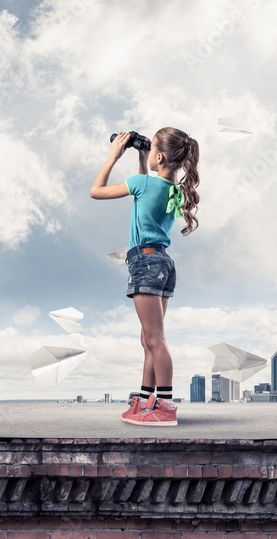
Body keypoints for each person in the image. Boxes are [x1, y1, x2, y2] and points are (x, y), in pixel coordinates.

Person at [89, 127, 200, 426]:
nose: (148, 152)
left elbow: (96, 191)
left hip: (145, 263)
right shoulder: (176, 192)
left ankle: (164, 406)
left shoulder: (142, 183)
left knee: (155, 339)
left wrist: (113, 156)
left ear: (160, 156)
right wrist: (142, 156)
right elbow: (146, 198)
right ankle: (144, 400)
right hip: (162, 263)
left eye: (151, 150)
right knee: (148, 339)